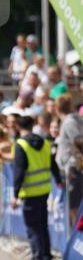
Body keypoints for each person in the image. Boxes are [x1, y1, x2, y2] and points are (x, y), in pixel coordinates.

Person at [11, 115, 62, 260]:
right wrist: (58, 180)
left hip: (30, 191)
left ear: (18, 127)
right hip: (44, 189)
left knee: (33, 228)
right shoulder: (45, 143)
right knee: (42, 226)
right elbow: (53, 164)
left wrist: (15, 195)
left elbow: (19, 172)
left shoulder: (21, 145)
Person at [55, 94, 83, 226]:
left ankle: (75, 234)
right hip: (70, 166)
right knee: (71, 204)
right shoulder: (69, 121)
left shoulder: (70, 122)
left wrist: (74, 162)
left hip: (72, 167)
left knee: (74, 204)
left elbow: (78, 141)